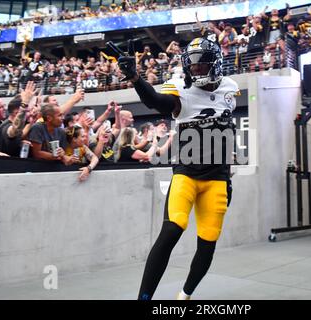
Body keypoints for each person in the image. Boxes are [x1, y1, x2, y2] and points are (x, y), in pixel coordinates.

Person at [117, 37, 238, 300]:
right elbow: (157, 102)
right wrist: (136, 78)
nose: (194, 70)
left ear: (215, 65)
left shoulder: (230, 88)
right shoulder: (181, 87)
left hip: (217, 177)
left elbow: (227, 133)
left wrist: (228, 176)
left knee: (208, 242)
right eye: (190, 65)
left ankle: (185, 296)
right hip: (187, 173)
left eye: (200, 65)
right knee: (173, 228)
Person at [0, 81, 37, 157]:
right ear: (16, 113)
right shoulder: (6, 127)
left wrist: (31, 122)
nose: (30, 113)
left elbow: (19, 134)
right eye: (28, 111)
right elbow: (15, 129)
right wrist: (24, 105)